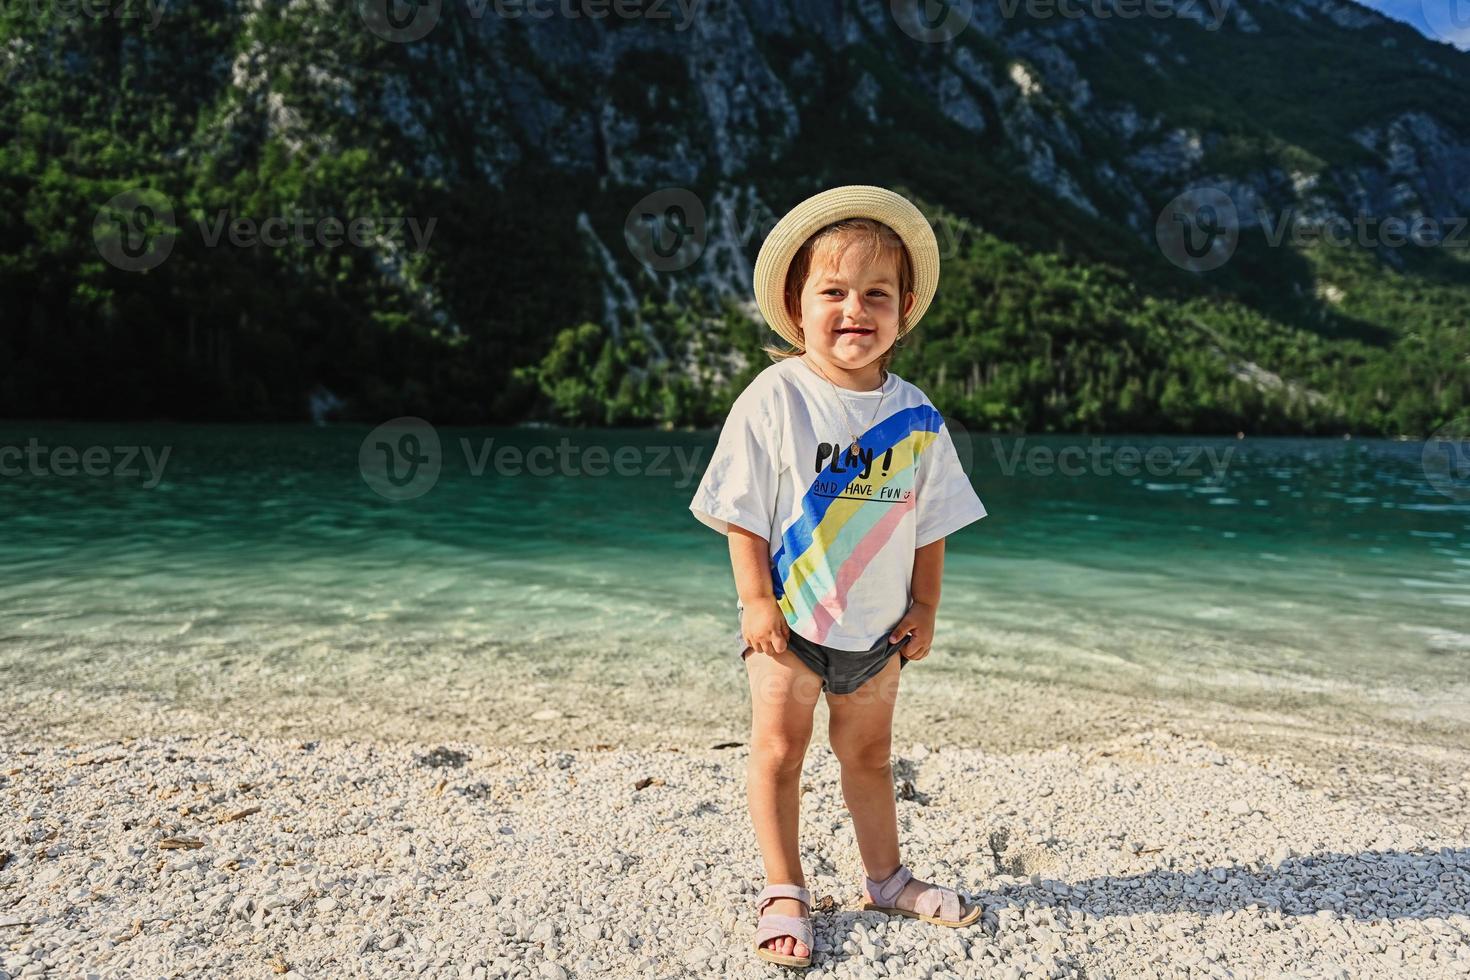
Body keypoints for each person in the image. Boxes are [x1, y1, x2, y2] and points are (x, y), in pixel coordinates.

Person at [688, 185, 989, 969]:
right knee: (779, 753)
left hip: (878, 633)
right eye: (833, 292)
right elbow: (743, 514)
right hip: (787, 625)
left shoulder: (917, 417)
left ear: (904, 306)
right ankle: (783, 889)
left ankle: (886, 879)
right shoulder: (775, 398)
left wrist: (927, 606)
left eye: (875, 294)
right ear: (796, 306)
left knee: (868, 757)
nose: (854, 308)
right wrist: (755, 600)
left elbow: (932, 523)